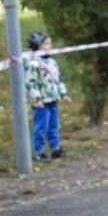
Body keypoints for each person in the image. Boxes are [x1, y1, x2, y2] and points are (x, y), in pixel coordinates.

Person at [24, 31, 68, 161]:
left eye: (50, 43)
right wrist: (36, 99)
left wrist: (63, 93)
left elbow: (58, 79)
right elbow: (31, 83)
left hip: (53, 99)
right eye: (46, 43)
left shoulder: (52, 62)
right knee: (41, 127)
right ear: (37, 45)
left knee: (54, 125)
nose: (50, 46)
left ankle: (55, 148)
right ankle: (39, 151)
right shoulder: (33, 64)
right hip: (42, 102)